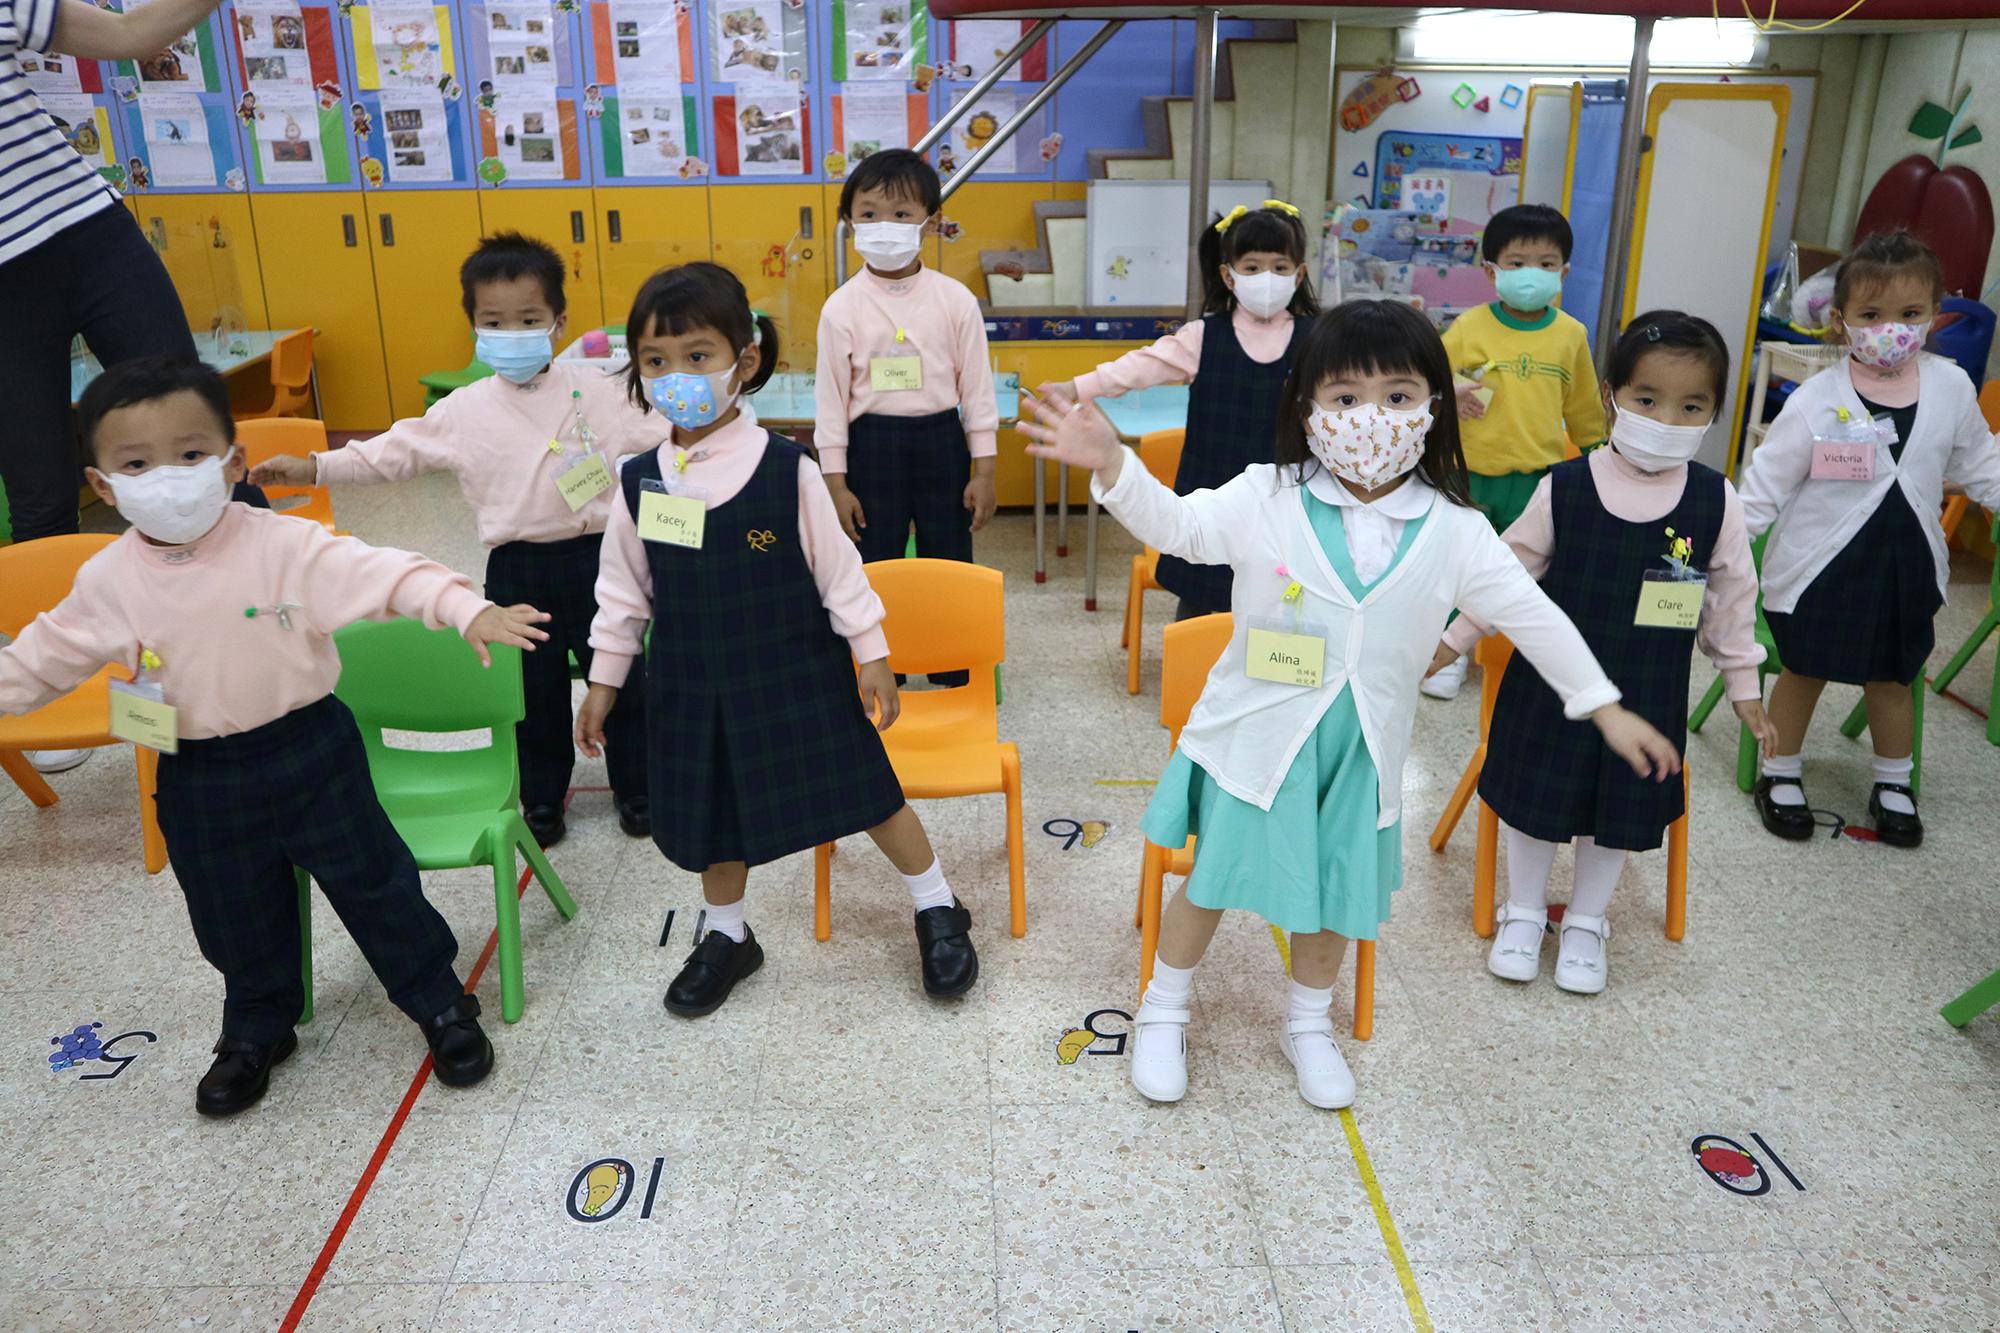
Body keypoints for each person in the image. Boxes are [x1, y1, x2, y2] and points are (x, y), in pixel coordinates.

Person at [1020, 301, 1679, 1109]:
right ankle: (1164, 1005)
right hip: (1257, 741)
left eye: (1398, 396)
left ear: (1435, 406)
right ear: (1308, 409)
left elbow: (1532, 616)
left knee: (1333, 899)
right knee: (1212, 880)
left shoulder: (1456, 528)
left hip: (1361, 756)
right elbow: (1182, 528)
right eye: (1345, 397)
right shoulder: (1268, 494)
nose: (1372, 418)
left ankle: (1308, 1022)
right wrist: (1115, 465)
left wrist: (1602, 704)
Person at [0, 358, 551, 1115]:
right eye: (137, 464)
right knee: (229, 907)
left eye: (190, 454)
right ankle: (257, 1024)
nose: (168, 478)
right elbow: (39, 659)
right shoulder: (108, 579)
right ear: (102, 484)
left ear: (232, 461)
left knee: (376, 883)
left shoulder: (283, 544)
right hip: (197, 771)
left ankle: (438, 1000)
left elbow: (384, 573)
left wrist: (464, 607)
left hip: (309, 750)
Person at [576, 263, 979, 1015]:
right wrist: (603, 682)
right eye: (656, 360)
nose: (676, 377)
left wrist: (872, 654)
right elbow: (623, 593)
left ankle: (937, 904)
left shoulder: (785, 469)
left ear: (745, 360)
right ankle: (728, 934)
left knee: (869, 792)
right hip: (692, 682)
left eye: (697, 355)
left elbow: (840, 572)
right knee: (713, 812)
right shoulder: (640, 480)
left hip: (795, 671)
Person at [253, 233, 658, 849]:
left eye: (529, 319)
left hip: (601, 558)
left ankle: (640, 789)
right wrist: (313, 467)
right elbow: (391, 454)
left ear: (558, 322)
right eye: (494, 321)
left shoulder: (599, 387)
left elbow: (668, 430)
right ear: (473, 327)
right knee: (532, 690)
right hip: (518, 567)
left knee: (622, 674)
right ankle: (542, 797)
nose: (512, 333)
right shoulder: (462, 410)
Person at [1434, 312, 1773, 993]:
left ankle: (1588, 921)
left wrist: (1743, 685)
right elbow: (1505, 575)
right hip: (1550, 687)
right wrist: (1450, 640)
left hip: (1648, 691)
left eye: (1691, 407)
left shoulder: (1716, 500)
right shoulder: (1565, 484)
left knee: (1618, 807)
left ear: (1714, 413)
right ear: (1613, 394)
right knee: (1535, 798)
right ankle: (1524, 910)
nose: (1666, 419)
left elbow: (1734, 600)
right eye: (1647, 399)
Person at [1738, 230, 2000, 848]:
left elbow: (1981, 463)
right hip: (1821, 568)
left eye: (1909, 314)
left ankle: (1893, 782)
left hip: (1906, 566)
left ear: (1934, 314)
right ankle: (1780, 771)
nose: (1892, 330)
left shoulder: (1951, 387)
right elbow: (1765, 484)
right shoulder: (1816, 399)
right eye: (1872, 315)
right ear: (1841, 321)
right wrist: (1724, 551)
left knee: (1892, 677)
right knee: (1803, 670)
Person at [1043, 200, 1319, 621]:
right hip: (1210, 493)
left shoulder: (1319, 339)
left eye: (1280, 268)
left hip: (1289, 497)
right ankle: (1189, 662)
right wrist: (1075, 388)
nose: (1267, 279)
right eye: (1252, 267)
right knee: (1198, 599)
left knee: (1282, 602)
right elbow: (1138, 367)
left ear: (1298, 275)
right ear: (1228, 275)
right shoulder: (1202, 336)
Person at [816, 147, 998, 687]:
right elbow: (830, 402)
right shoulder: (841, 307)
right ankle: (882, 671)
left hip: (941, 441)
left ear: (931, 222)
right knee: (876, 561)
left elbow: (977, 389)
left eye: (901, 214)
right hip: (871, 445)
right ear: (849, 221)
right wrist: (835, 484)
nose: (884, 226)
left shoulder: (955, 300)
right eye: (869, 214)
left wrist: (985, 470)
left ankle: (950, 669)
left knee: (950, 557)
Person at [1426, 204, 1608, 700]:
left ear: (1563, 273)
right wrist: (1451, 390)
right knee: (1459, 564)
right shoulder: (1469, 327)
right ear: (1491, 272)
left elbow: (1584, 406)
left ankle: (1517, 653)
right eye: (1517, 262)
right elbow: (1428, 376)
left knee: (1525, 570)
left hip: (1536, 479)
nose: (1532, 274)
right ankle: (1448, 654)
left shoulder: (1571, 335)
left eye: (1546, 264)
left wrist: (1600, 457)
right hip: (1468, 472)